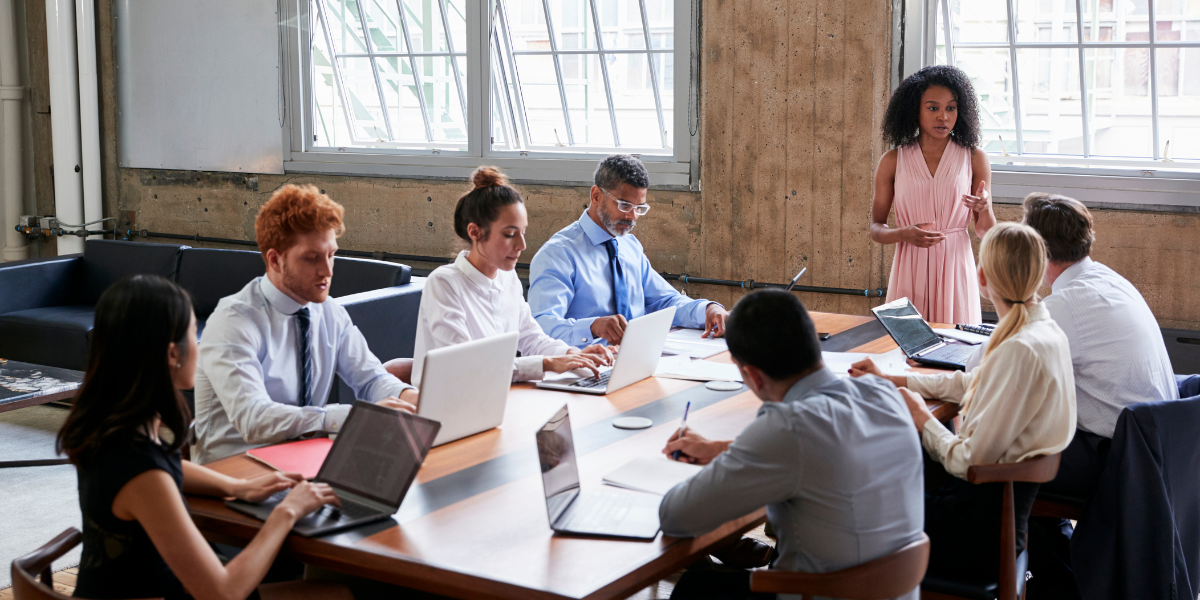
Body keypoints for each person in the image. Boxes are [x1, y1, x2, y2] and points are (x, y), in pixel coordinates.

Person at [57, 275, 348, 600]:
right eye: (194, 333)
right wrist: (288, 512)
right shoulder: (142, 470)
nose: (200, 342)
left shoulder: (111, 426)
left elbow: (165, 472)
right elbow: (222, 592)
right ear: (171, 354)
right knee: (338, 593)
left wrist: (235, 486)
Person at [658, 289, 925, 600]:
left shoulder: (787, 427)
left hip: (817, 593)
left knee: (694, 590)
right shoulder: (884, 395)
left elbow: (676, 516)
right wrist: (721, 450)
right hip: (894, 589)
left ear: (752, 376)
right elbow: (819, 451)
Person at [851, 222, 1076, 582]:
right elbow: (975, 383)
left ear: (983, 278)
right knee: (890, 465)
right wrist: (895, 379)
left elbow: (967, 460)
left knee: (846, 502)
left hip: (974, 537)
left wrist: (922, 418)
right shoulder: (1043, 330)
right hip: (996, 516)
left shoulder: (1017, 347)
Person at [1020, 193, 1177, 599]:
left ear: (1037, 249)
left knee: (1006, 458)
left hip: (1117, 457)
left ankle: (1053, 586)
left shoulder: (1069, 305)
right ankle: (1063, 581)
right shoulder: (1106, 279)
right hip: (1154, 448)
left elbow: (1003, 366)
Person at [193, 184, 417, 464]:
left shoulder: (329, 311)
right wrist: (349, 417)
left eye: (331, 255)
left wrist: (408, 398)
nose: (327, 271)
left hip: (306, 462)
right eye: (312, 258)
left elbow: (371, 378)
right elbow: (253, 418)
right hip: (233, 473)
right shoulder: (234, 321)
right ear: (275, 260)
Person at [412, 166, 613, 384]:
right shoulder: (444, 283)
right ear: (475, 232)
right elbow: (464, 363)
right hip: (450, 405)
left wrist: (571, 354)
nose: (522, 245)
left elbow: (531, 338)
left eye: (523, 232)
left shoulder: (507, 278)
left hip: (497, 395)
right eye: (509, 234)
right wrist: (546, 363)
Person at [528, 154, 728, 346]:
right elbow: (541, 326)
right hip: (587, 365)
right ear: (596, 195)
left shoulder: (629, 246)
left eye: (640, 208)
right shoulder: (558, 254)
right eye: (624, 206)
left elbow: (665, 300)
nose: (633, 217)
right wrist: (592, 327)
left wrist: (707, 309)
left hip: (637, 359)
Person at [872, 65, 994, 324]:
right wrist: (902, 234)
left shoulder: (974, 158)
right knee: (906, 352)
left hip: (955, 267)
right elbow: (876, 228)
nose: (943, 117)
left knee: (957, 353)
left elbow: (985, 231)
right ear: (914, 110)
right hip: (909, 267)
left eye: (951, 108)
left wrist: (984, 209)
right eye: (933, 108)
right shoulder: (893, 160)